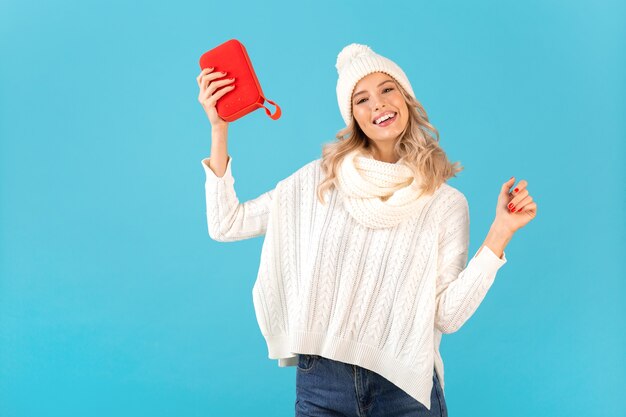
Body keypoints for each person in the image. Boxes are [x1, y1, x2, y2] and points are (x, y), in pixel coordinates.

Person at [196, 43, 537, 417]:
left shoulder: (445, 203)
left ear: (406, 98)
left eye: (387, 89)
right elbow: (225, 224)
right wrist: (219, 128)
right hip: (323, 381)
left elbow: (447, 317)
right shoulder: (320, 181)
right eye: (362, 99)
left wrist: (501, 232)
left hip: (404, 386)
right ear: (352, 115)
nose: (377, 104)